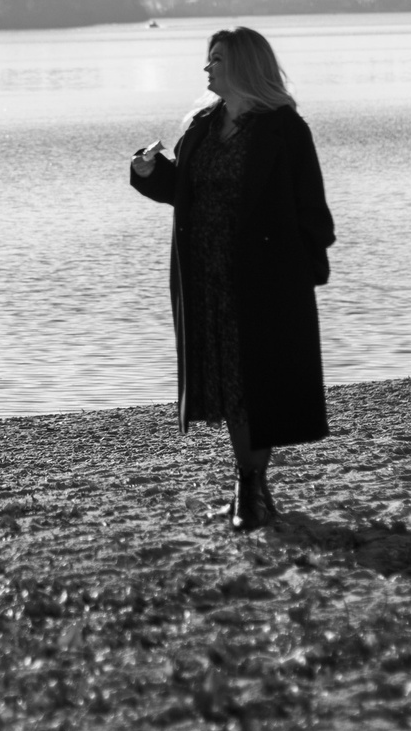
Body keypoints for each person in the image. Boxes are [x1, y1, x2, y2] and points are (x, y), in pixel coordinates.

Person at [127, 26, 337, 532]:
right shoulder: (202, 125)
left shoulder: (285, 129)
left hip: (263, 281)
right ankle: (253, 487)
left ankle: (249, 489)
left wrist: (299, 270)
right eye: (208, 60)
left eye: (216, 59)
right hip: (204, 277)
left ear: (243, 65)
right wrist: (149, 172)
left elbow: (313, 212)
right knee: (225, 386)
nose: (207, 69)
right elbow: (187, 190)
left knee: (252, 386)